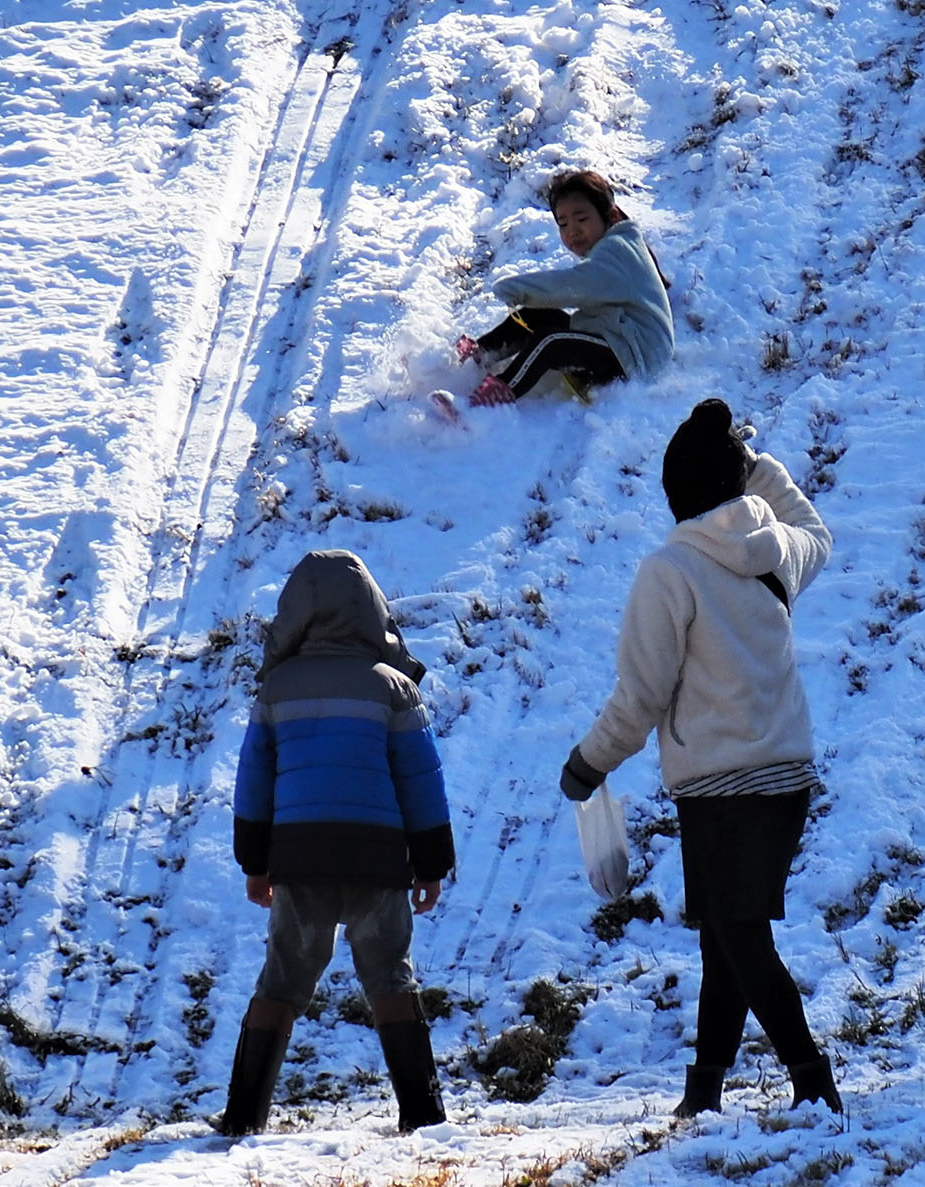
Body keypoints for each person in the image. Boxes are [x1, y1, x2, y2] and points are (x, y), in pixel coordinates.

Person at [558, 399, 841, 1117]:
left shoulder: (670, 570)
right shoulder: (773, 554)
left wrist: (590, 763)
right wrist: (760, 471)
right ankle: (705, 1091)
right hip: (785, 781)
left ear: (675, 494)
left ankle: (812, 1082)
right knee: (725, 935)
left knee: (740, 936)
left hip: (719, 789)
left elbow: (642, 693)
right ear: (738, 483)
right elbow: (816, 531)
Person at [221, 550, 456, 1136]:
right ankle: (423, 1115)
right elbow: (422, 783)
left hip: (301, 860)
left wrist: (256, 862)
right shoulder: (394, 688)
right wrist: (431, 865)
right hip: (377, 860)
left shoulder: (276, 689)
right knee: (390, 978)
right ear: (371, 611)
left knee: (282, 979)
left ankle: (244, 1115)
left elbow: (254, 781)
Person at [459, 170, 674, 405]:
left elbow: (574, 286)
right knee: (535, 316)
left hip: (634, 355)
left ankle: (493, 397)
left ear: (610, 215)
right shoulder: (617, 245)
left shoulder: (617, 248)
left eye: (582, 219)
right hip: (618, 337)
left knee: (551, 342)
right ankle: (478, 355)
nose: (573, 230)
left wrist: (519, 288)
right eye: (563, 223)